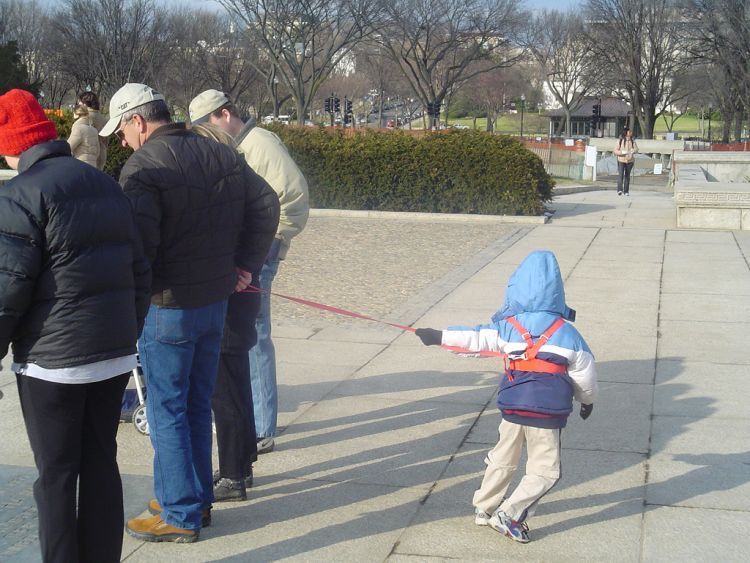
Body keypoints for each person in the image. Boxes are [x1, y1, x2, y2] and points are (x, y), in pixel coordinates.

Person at [100, 83, 279, 542]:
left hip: (169, 306)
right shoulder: (217, 151)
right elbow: (266, 203)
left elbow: (139, 250)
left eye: (122, 130)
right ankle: (195, 499)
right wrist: (244, 263)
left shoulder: (144, 166)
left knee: (167, 410)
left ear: (138, 120)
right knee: (196, 404)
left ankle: (179, 511)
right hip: (213, 301)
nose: (123, 141)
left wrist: (130, 306)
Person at [0, 89, 151, 563]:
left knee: (58, 477)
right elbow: (140, 272)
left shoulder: (19, 194)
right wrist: (126, 332)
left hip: (53, 365)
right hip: (111, 355)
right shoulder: (102, 182)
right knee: (101, 465)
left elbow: (7, 289)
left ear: (12, 144)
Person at [414, 250, 598, 544]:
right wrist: (586, 401)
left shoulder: (508, 327)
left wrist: (438, 336)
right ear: (556, 292)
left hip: (511, 407)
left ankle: (484, 507)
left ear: (517, 288)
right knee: (546, 470)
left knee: (502, 457)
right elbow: (585, 374)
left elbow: (475, 338)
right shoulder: (568, 333)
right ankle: (510, 513)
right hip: (547, 413)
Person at [189, 90, 309, 455]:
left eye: (206, 125)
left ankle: (260, 426)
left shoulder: (259, 143)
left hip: (259, 251)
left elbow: (292, 196)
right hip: (244, 250)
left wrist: (268, 244)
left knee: (254, 334)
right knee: (242, 334)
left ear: (225, 114)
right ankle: (250, 420)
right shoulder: (239, 147)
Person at [189, 122, 276, 501]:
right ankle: (241, 463)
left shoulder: (227, 177)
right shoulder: (238, 174)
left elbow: (269, 207)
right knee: (233, 379)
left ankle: (234, 473)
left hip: (229, 291)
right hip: (235, 287)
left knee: (225, 386)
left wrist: (245, 265)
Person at [77, 91, 108, 170]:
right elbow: (106, 140)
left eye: (79, 104)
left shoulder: (85, 118)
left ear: (85, 104)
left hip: (86, 156)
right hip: (102, 154)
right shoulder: (103, 118)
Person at [614, 127, 638, 196]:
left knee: (627, 176)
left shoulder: (632, 141)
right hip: (621, 160)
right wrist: (622, 152)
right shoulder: (620, 141)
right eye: (629, 132)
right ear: (626, 133)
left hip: (630, 161)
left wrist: (634, 150)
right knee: (621, 174)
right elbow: (615, 151)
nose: (631, 133)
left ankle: (626, 191)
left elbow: (636, 149)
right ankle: (619, 190)